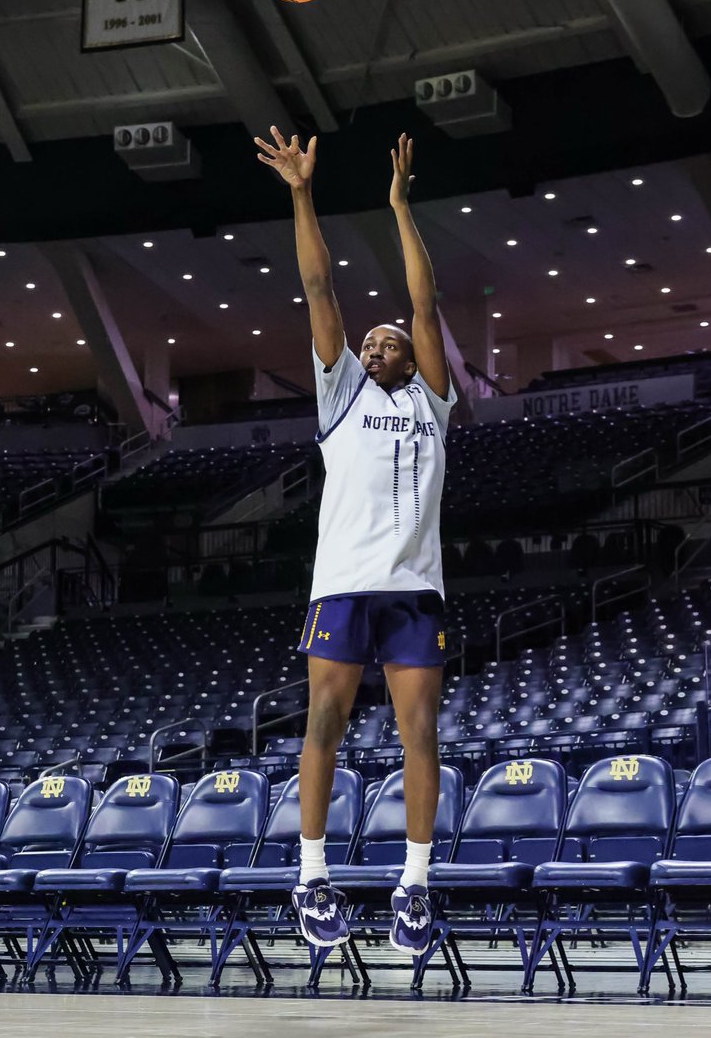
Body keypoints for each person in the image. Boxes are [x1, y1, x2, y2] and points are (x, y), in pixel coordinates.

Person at [254, 126, 456, 956]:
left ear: (410, 357)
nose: (375, 344)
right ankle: (311, 877)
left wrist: (400, 204)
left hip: (414, 590)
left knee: (421, 734)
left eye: (388, 341)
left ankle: (415, 885)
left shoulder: (433, 401)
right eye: (368, 342)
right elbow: (317, 285)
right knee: (324, 725)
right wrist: (301, 193)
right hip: (340, 582)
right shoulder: (339, 393)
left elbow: (424, 303)